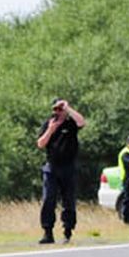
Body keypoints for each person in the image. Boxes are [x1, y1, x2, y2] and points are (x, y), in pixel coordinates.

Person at [37, 98, 85, 244]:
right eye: (55, 109)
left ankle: (67, 231)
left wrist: (68, 108)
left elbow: (81, 122)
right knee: (48, 199)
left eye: (60, 109)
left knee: (68, 200)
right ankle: (47, 232)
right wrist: (51, 130)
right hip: (51, 168)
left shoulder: (71, 124)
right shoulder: (48, 123)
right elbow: (40, 144)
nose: (57, 112)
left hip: (68, 167)